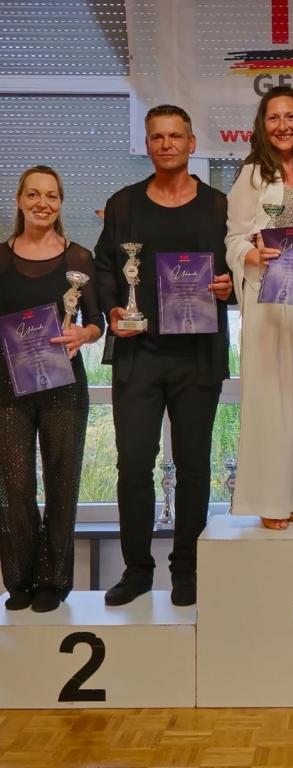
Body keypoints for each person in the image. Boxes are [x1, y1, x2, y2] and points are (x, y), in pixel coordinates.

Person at [95, 105, 233, 607]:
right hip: (140, 354)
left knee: (194, 467)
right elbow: (105, 266)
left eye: (176, 136)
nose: (167, 144)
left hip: (197, 356)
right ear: (148, 145)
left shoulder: (218, 206)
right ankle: (136, 571)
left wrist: (230, 287)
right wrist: (113, 307)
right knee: (133, 465)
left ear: (192, 143)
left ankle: (187, 571)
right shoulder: (123, 204)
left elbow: (240, 268)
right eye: (157, 137)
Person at [0, 166, 104, 612]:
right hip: (8, 388)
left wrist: (85, 334)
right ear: (19, 200)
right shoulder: (0, 258)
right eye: (34, 194)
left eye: (52, 196)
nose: (42, 203)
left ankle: (53, 580)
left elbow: (96, 321)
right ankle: (18, 579)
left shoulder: (78, 258)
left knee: (63, 482)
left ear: (60, 203)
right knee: (14, 486)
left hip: (64, 385)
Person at [225, 86, 293, 530]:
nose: (282, 125)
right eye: (273, 118)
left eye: (290, 116)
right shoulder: (253, 174)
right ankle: (269, 498)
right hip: (269, 296)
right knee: (269, 397)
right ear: (261, 125)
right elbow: (233, 237)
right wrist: (251, 255)